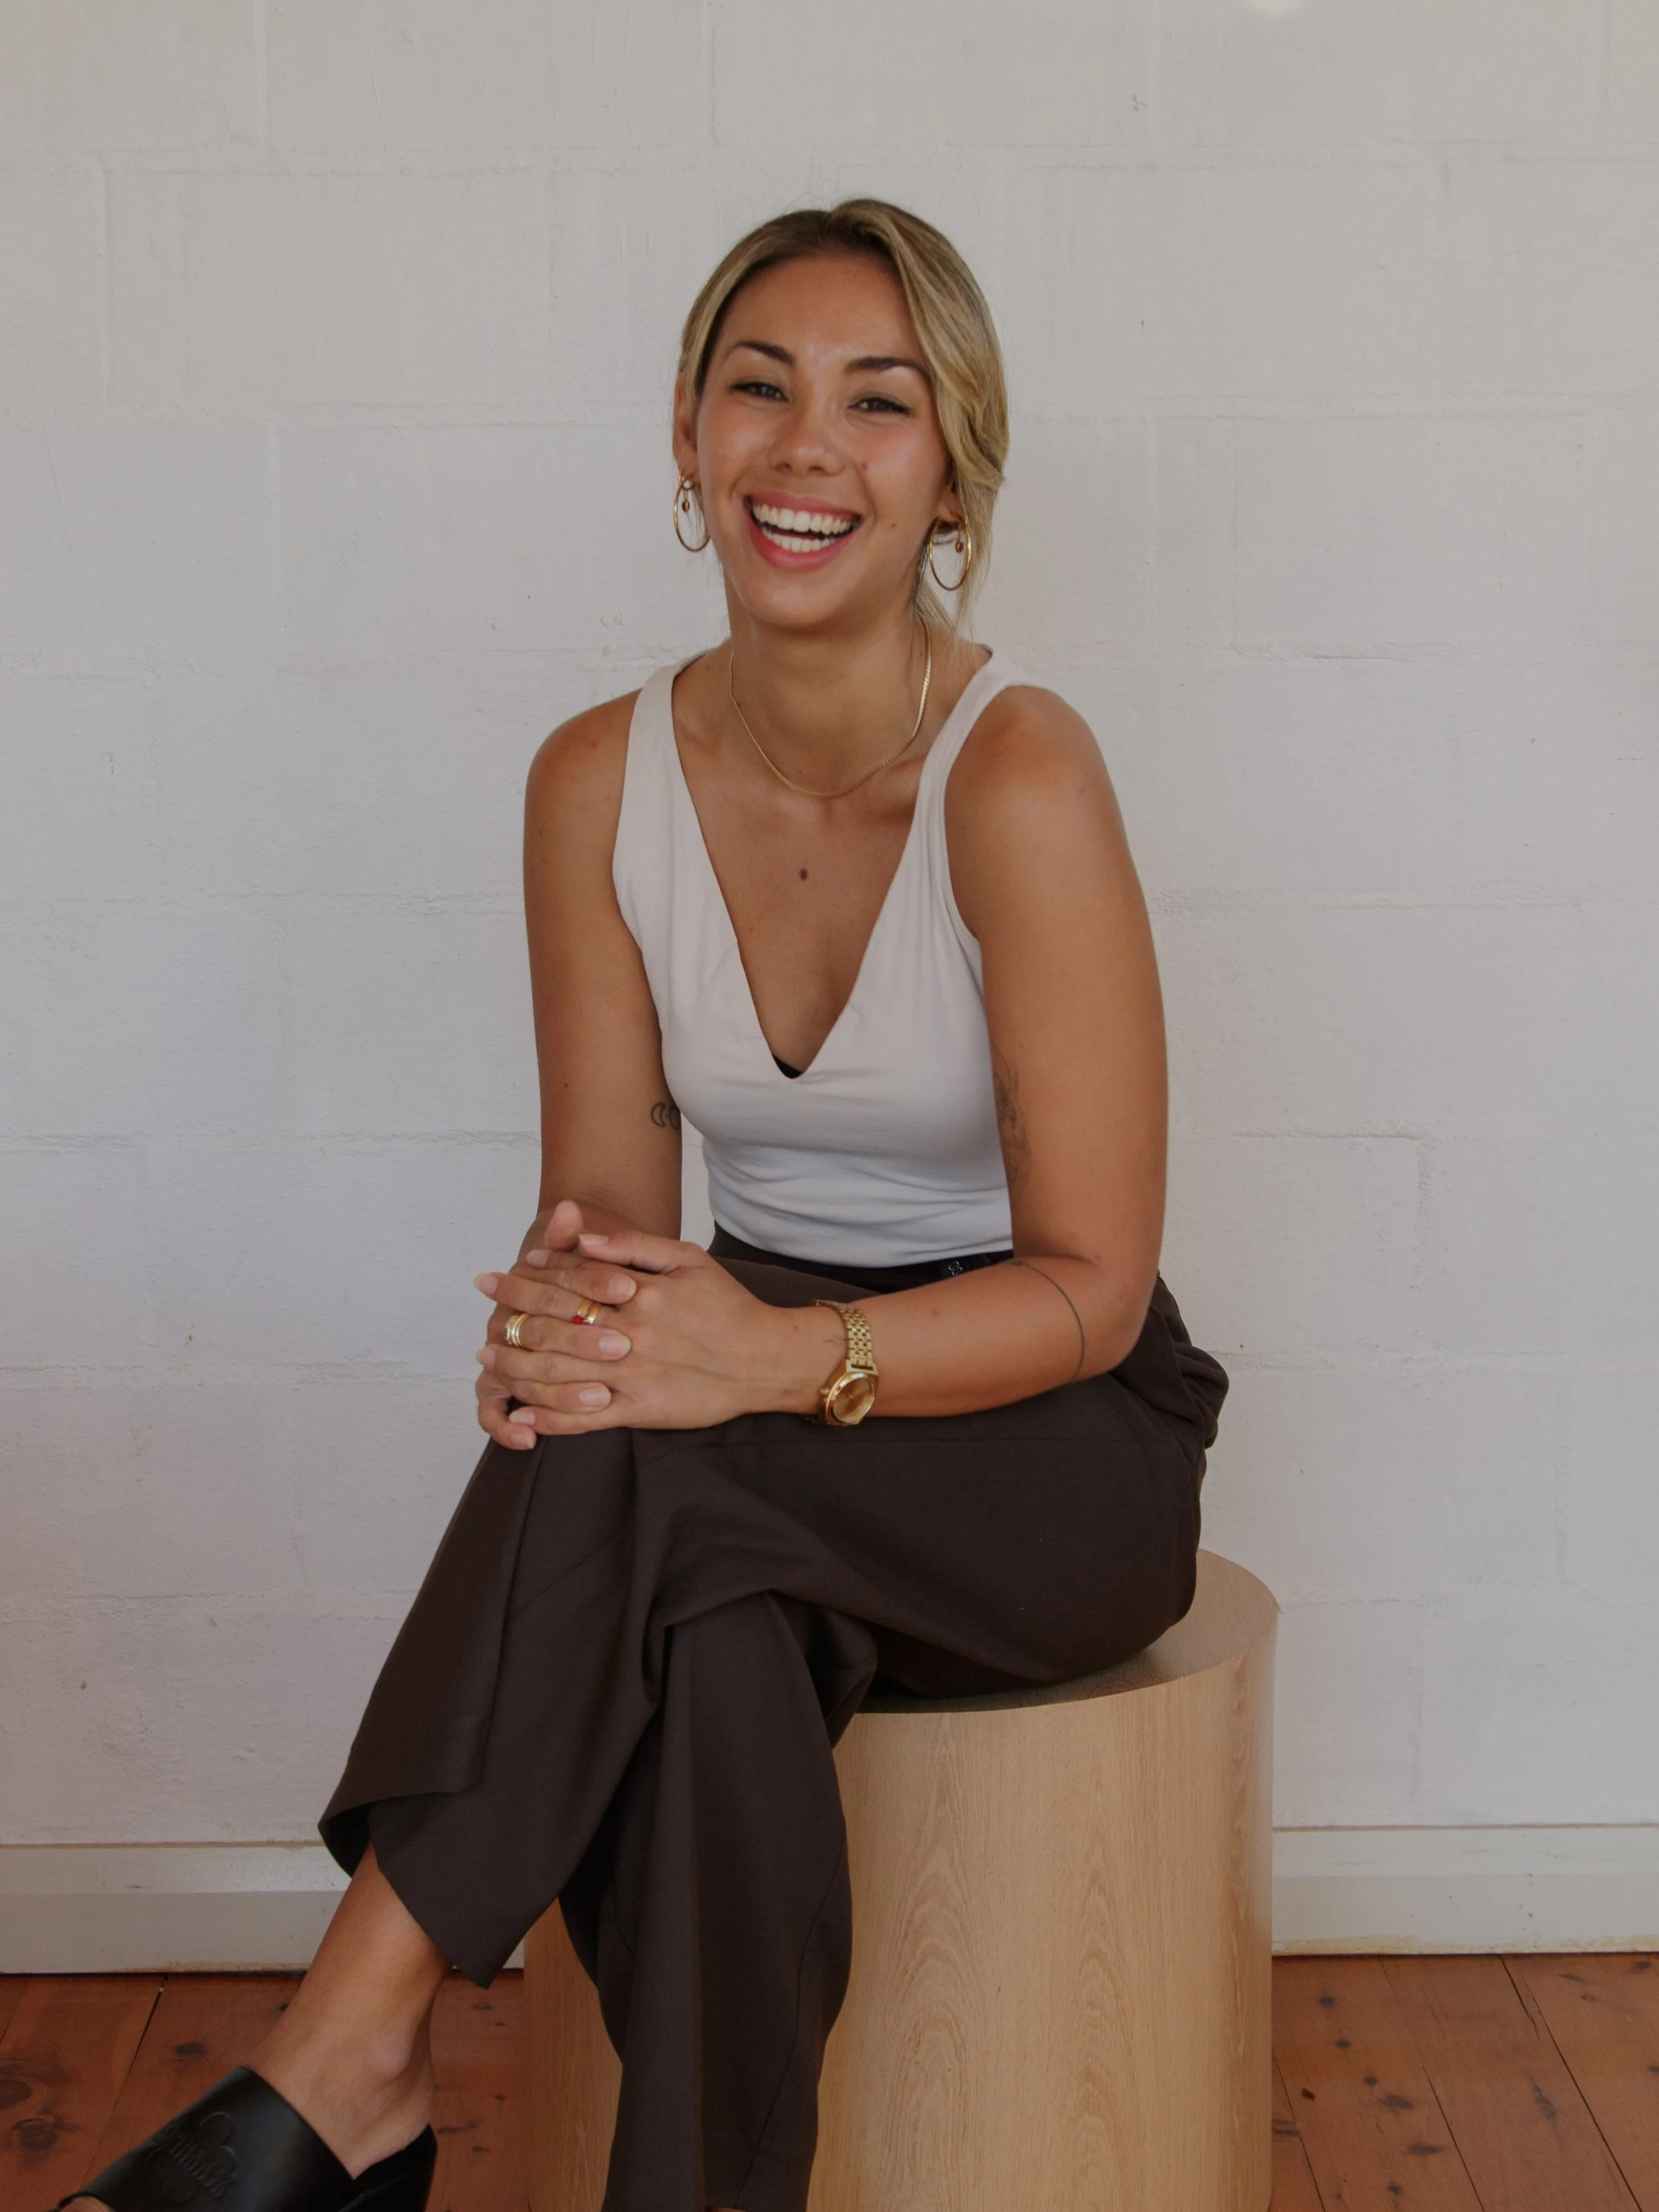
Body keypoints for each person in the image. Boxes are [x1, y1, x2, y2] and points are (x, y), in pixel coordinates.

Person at [63, 198, 1227, 2212]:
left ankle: (345, 2061)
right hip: (740, 1400)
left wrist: (765, 1354)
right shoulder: (594, 780)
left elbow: (1093, 1287)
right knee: (704, 1618)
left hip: (1046, 1432)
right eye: (754, 387)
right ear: (684, 436)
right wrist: (555, 1321)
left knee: (663, 1472)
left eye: (876, 404)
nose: (803, 447)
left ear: (949, 468)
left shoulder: (1016, 774)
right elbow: (605, 1216)